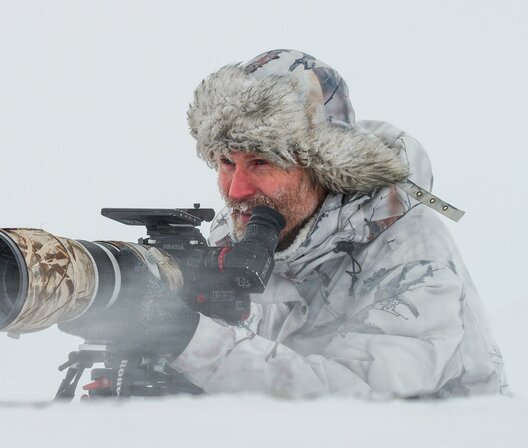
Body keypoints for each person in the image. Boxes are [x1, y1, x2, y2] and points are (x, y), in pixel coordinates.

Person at [168, 49, 508, 398]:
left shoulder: (410, 250)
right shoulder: (244, 233)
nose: (236, 191)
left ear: (322, 168)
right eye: (226, 162)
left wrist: (185, 338)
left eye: (259, 162)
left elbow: (353, 402)